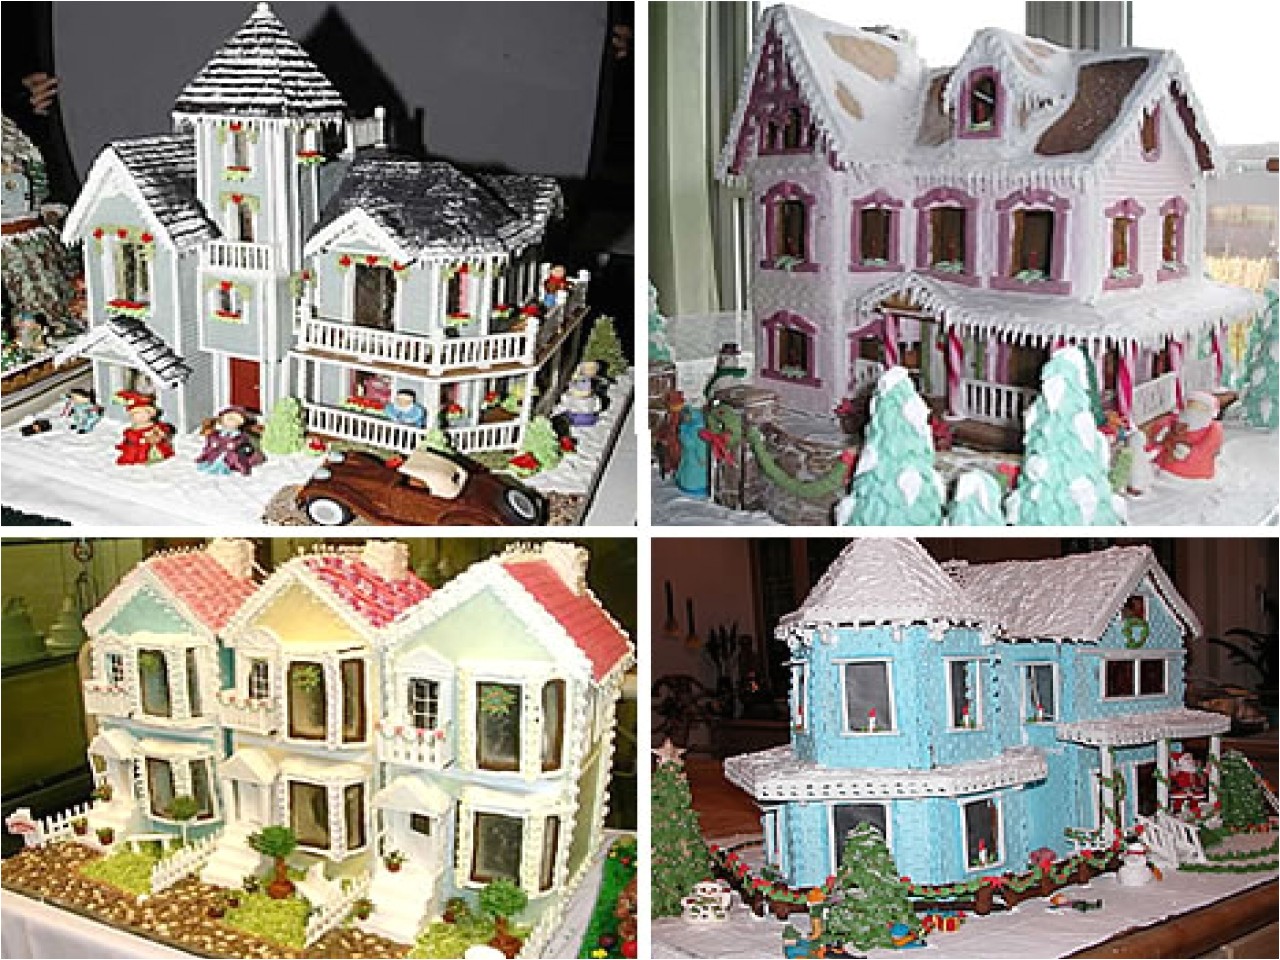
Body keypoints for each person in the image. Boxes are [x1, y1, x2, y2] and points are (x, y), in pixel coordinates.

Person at [1155, 391, 1223, 480]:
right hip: (1166, 468)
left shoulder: (1214, 428)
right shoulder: (1176, 420)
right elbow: (1159, 432)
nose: (1194, 412)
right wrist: (1162, 432)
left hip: (1196, 473)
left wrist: (1189, 452)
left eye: (1201, 408)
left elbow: (1206, 448)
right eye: (1191, 406)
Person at [195, 406, 266, 476]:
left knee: (227, 462)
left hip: (231, 461)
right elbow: (208, 448)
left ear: (241, 422)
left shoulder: (240, 437)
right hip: (214, 457)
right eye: (228, 419)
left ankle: (221, 467)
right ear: (221, 420)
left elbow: (244, 450)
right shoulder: (215, 435)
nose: (231, 422)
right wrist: (203, 457)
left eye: (235, 420)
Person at [115, 392, 174, 466]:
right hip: (136, 450)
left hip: (152, 449)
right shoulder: (132, 430)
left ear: (151, 414)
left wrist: (160, 435)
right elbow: (129, 440)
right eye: (137, 413)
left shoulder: (155, 426)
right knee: (131, 452)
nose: (141, 416)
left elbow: (165, 431)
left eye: (146, 413)